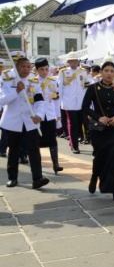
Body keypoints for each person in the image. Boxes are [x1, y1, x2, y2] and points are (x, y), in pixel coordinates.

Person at [0, 53, 49, 189]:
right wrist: (16, 91)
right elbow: (2, 100)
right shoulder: (7, 78)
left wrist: (39, 114)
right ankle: (12, 178)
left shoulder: (34, 80)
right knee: (14, 150)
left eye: (29, 67)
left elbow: (40, 101)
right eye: (23, 66)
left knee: (34, 150)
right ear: (17, 67)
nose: (26, 69)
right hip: (13, 120)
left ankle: (37, 178)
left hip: (30, 121)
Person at [81, 61, 114, 201]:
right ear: (101, 72)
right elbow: (85, 107)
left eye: (112, 71)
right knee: (100, 156)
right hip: (99, 129)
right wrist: (99, 117)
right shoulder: (93, 88)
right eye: (106, 70)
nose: (109, 73)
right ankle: (95, 177)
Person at [57, 51, 90, 154]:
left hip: (80, 101)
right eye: (71, 61)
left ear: (78, 61)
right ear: (68, 62)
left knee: (80, 124)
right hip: (69, 102)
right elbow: (60, 88)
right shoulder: (63, 72)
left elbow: (87, 86)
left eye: (75, 61)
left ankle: (73, 141)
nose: (73, 63)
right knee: (72, 124)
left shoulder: (83, 71)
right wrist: (60, 103)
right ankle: (75, 146)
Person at [34, 58, 63, 174]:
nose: (45, 72)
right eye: (42, 69)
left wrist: (58, 116)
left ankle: (56, 164)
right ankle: (37, 165)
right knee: (36, 140)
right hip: (37, 114)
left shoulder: (52, 81)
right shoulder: (32, 82)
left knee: (52, 139)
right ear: (37, 70)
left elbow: (56, 100)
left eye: (46, 69)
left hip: (50, 114)